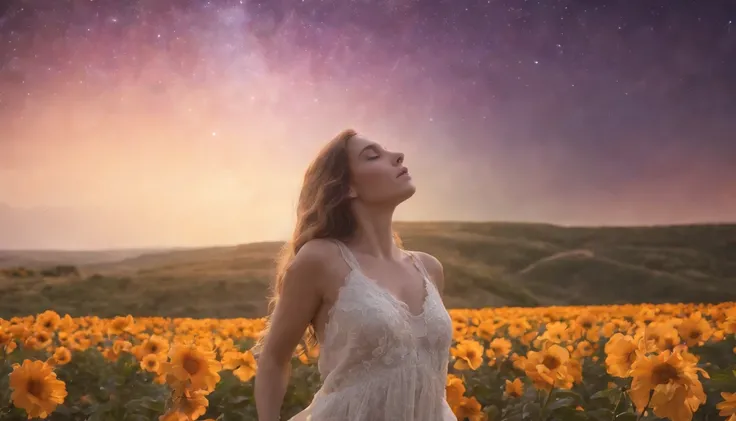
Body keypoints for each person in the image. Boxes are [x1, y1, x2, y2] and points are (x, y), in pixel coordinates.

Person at [252, 129, 456, 421]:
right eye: (373, 156)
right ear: (347, 187)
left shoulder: (429, 268)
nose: (397, 156)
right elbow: (273, 358)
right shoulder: (321, 259)